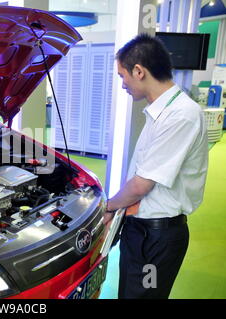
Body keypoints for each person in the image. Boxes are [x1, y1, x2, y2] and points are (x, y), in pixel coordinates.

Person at [103, 33, 208, 299]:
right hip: (141, 232)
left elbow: (141, 185)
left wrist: (107, 207)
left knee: (145, 296)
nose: (123, 84)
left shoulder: (181, 115)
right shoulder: (160, 112)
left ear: (139, 71)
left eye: (122, 75)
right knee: (131, 293)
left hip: (156, 240)